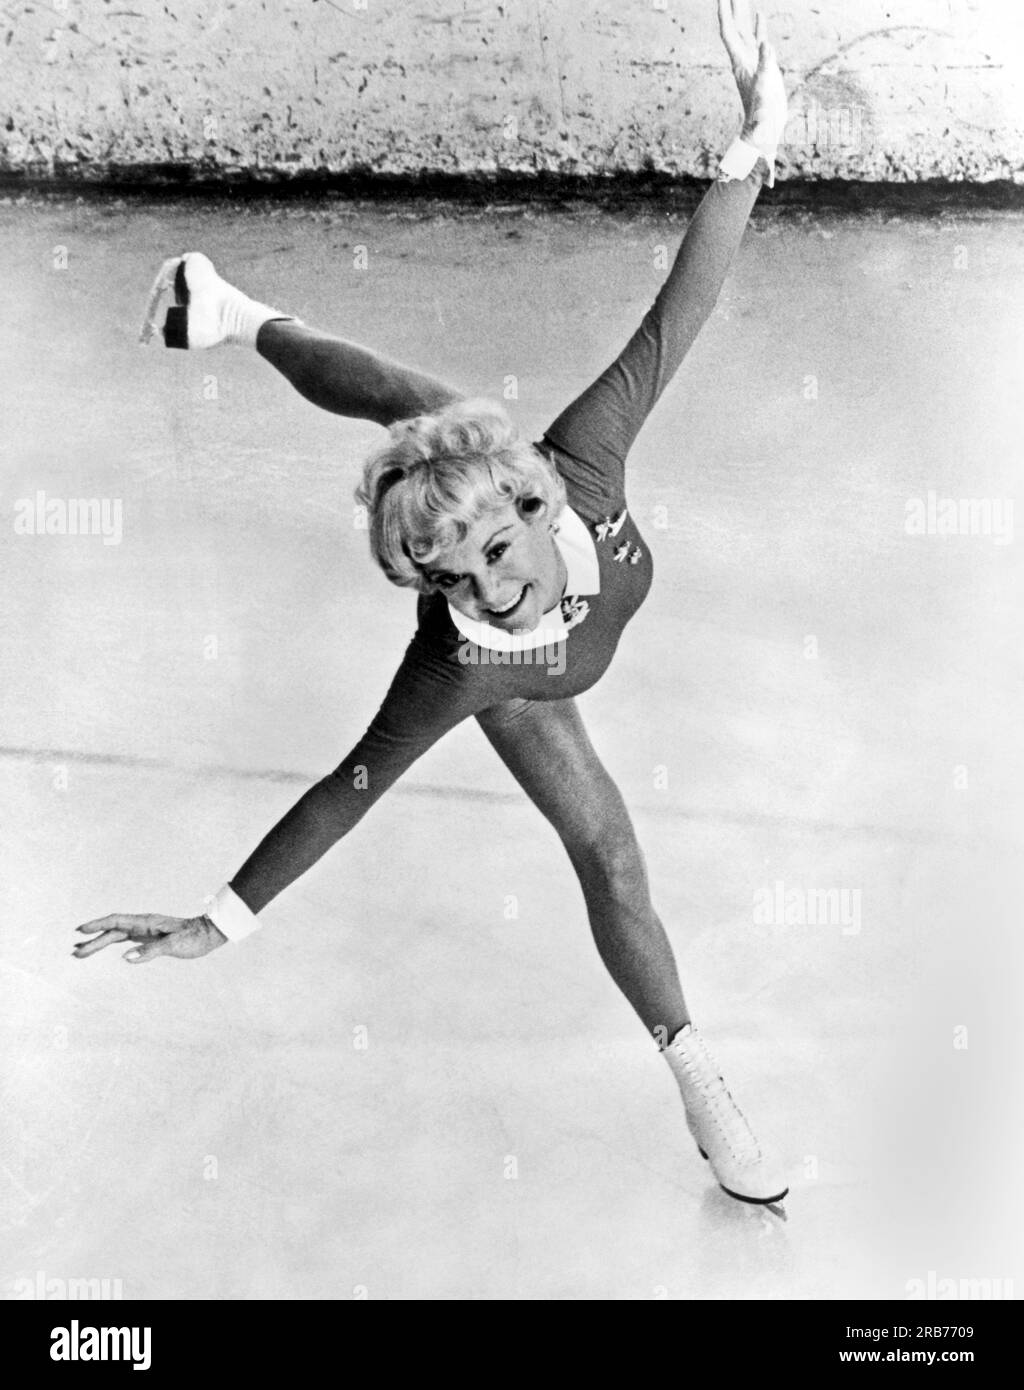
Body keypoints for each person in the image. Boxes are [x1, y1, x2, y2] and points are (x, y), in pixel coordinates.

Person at [76, 1, 790, 1206]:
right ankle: (696, 1071)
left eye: (489, 552)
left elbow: (680, 313)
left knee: (434, 411)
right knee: (609, 851)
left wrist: (754, 139)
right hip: (539, 699)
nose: (481, 587)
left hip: (511, 461)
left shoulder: (577, 464)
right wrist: (217, 922)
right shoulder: (462, 664)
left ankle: (232, 310)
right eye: (445, 576)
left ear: (531, 507)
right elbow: (344, 791)